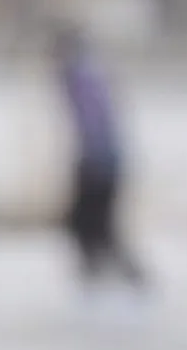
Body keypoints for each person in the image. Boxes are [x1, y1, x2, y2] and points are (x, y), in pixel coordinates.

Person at [50, 19, 150, 297]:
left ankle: (118, 280)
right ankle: (103, 279)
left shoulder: (79, 77)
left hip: (99, 163)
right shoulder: (89, 72)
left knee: (90, 225)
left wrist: (89, 161)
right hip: (104, 161)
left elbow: (95, 122)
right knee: (89, 225)